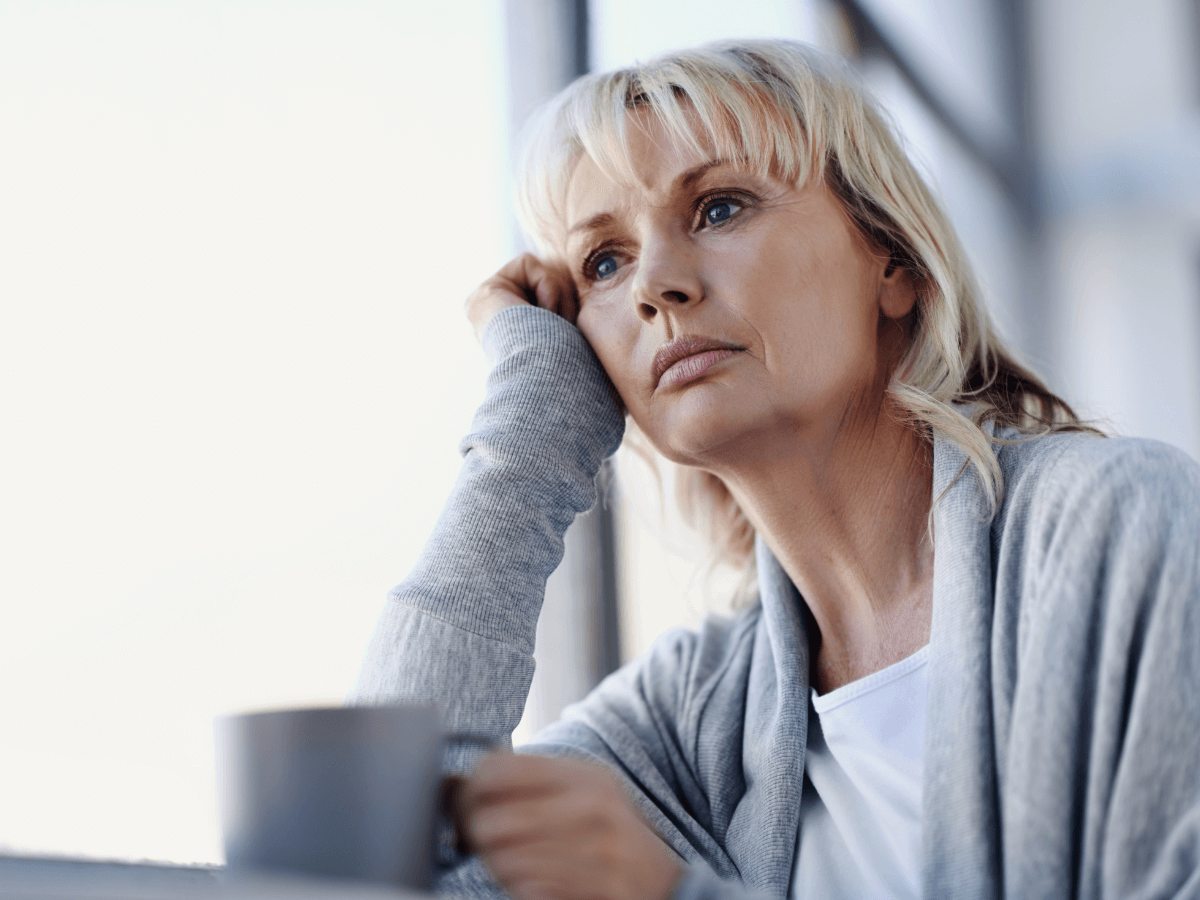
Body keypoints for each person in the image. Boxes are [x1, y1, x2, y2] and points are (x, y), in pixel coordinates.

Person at [349, 39, 1200, 900]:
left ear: (892, 259)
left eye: (719, 209)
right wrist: (528, 440)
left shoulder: (1120, 527)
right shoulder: (688, 718)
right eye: (604, 263)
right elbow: (377, 863)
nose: (656, 286)